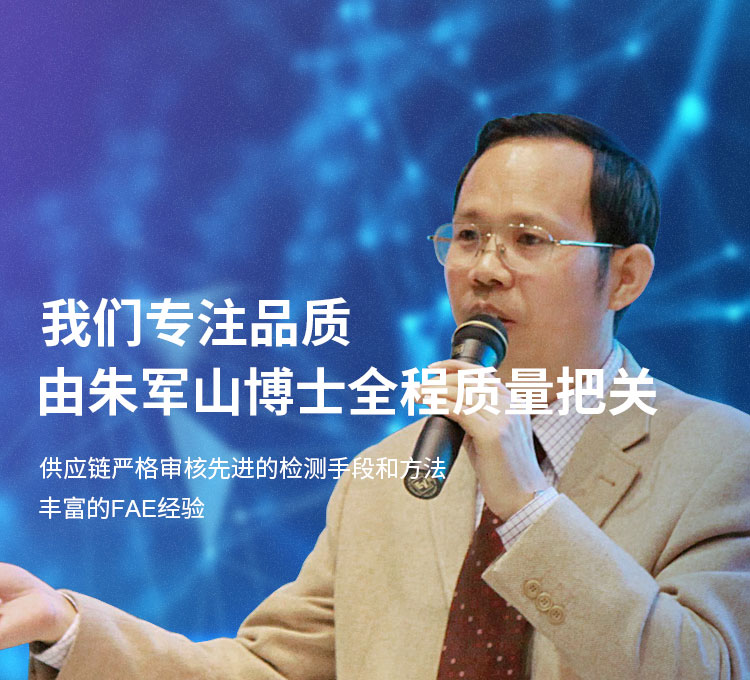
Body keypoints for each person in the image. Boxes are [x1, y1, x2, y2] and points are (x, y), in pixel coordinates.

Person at [3, 113, 749, 679]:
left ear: (625, 277)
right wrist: (68, 628)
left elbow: (708, 668)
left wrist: (526, 505)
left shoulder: (720, 459)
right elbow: (267, 670)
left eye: (530, 240)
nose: (486, 269)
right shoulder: (385, 477)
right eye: (468, 236)